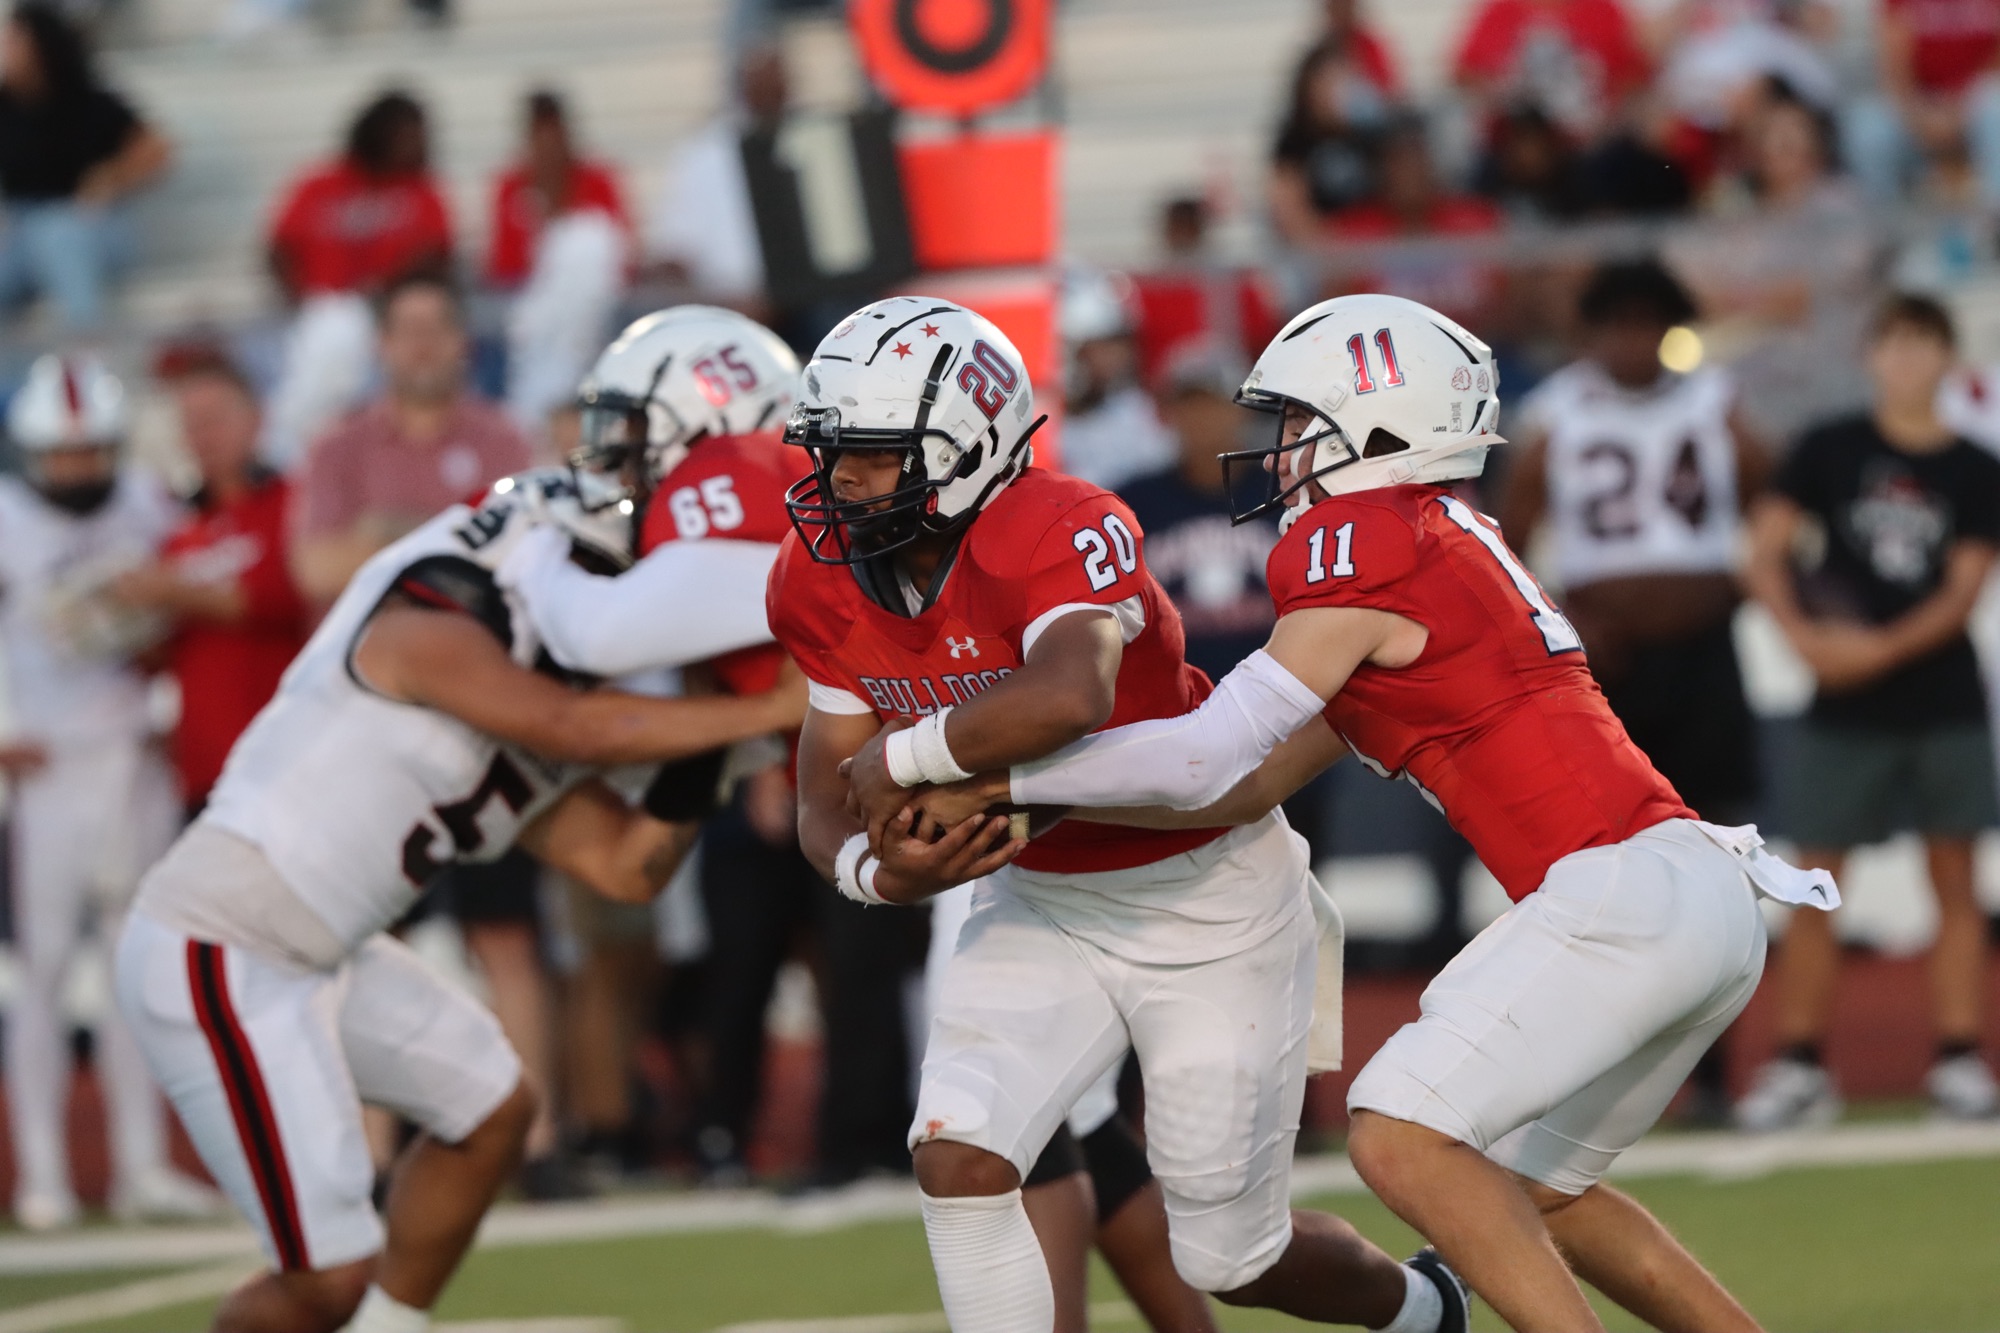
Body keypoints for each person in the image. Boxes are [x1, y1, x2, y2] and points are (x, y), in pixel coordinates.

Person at [913, 293, 1837, 1332]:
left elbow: (1208, 748)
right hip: (1696, 890)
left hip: (1616, 889)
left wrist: (979, 771)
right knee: (1543, 1194)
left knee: (1398, 1133)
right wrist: (1038, 815)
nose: (1281, 451)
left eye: (1301, 424)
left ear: (1381, 427)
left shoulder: (1361, 534)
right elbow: (1237, 786)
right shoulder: (1430, 542)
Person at [774, 295, 1469, 1333]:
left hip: (1205, 894)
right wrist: (870, 875)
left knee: (1231, 1255)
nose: (839, 480)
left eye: (869, 454)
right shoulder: (817, 579)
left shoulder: (1060, 521)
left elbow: (1070, 695)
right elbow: (822, 786)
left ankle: (1422, 1308)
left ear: (964, 446)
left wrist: (908, 753)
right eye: (831, 451)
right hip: (1039, 896)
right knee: (958, 1155)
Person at [115, 469, 807, 1333]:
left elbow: (627, 865)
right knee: (325, 1280)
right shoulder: (426, 630)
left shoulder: (521, 699)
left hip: (319, 952)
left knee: (491, 1109)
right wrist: (764, 711)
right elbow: (574, 727)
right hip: (219, 942)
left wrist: (708, 748)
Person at [1737, 293, 2000, 1129]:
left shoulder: (1975, 466)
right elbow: (1765, 553)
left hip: (1941, 695)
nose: (1907, 359)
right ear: (1871, 356)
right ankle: (1800, 1062)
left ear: (1949, 358)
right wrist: (1805, 639)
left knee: (1955, 880)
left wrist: (1871, 653)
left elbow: (1962, 590)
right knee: (1816, 882)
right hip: (1841, 703)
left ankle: (1959, 1056)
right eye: (1894, 342)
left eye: (1923, 343)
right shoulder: (1829, 447)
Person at [0, 355, 219, 1230]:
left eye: (92, 450)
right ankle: (42, 1173)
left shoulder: (147, 501)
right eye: (65, 454)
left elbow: (184, 612)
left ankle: (142, 1164)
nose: (80, 467)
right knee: (47, 969)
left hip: (133, 752)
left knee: (137, 968)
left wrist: (168, 707)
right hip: (47, 764)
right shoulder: (8, 518)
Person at [1501, 259, 1768, 828]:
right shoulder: (1557, 410)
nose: (1634, 339)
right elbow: (1506, 543)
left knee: (1716, 818)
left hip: (1703, 643)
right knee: (1609, 815)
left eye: (1649, 323)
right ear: (1591, 332)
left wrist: (1750, 581)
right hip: (1605, 648)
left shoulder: (1715, 399)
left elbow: (1771, 509)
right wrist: (1562, 621)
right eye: (1618, 324)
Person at [110, 351, 308, 813]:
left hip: (290, 758)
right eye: (192, 424)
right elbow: (160, 656)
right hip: (206, 770)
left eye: (215, 420)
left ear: (256, 420)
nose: (204, 436)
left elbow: (286, 599)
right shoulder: (177, 531)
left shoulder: (297, 504)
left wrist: (174, 591)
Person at [290, 274, 532, 610]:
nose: (423, 346)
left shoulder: (504, 439)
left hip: (476, 634)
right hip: (371, 638)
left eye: (436, 329)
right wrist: (460, 539)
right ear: (382, 344)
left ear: (462, 341)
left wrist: (386, 532)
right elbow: (317, 571)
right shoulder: (337, 446)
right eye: (408, 331)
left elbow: (523, 558)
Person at [264, 91, 454, 468]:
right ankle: (287, 458)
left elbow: (438, 259)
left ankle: (288, 455)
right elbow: (278, 249)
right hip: (321, 315)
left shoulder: (421, 190)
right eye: (408, 135)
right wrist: (302, 299)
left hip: (389, 320)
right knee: (334, 331)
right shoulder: (321, 183)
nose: (417, 145)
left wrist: (385, 300)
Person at [0, 3, 169, 334]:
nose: (5, 51)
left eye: (14, 41)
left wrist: (111, 178)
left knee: (60, 235)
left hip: (90, 226)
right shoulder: (5, 109)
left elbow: (157, 149)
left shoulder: (89, 101)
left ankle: (88, 346)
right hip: (23, 230)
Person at [486, 89, 631, 438]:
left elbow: (615, 258)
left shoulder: (597, 181)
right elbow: (504, 267)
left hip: (590, 325)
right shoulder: (512, 186)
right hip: (531, 324)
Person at [645, 43, 786, 317]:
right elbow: (676, 250)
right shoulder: (705, 151)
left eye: (774, 85)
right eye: (759, 83)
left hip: (801, 301)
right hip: (719, 300)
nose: (767, 93)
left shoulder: (815, 144)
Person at [1269, 3, 1403, 244]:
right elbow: (1289, 209)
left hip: (1375, 247)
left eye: (1345, 78)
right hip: (1321, 252)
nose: (1340, 89)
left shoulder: (1374, 135)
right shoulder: (1295, 140)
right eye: (1329, 80)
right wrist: (1332, 251)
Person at [1844, 0, 2000, 206]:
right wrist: (1919, 116)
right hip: (1918, 102)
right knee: (1868, 131)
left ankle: (1995, 211)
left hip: (1975, 99)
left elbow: (1996, 65)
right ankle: (1883, 217)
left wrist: (1957, 112)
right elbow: (1893, 68)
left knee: (1995, 106)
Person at [1058, 268, 1177, 493]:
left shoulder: (1138, 414)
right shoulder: (1033, 424)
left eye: (1119, 344)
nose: (1118, 357)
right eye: (1102, 346)